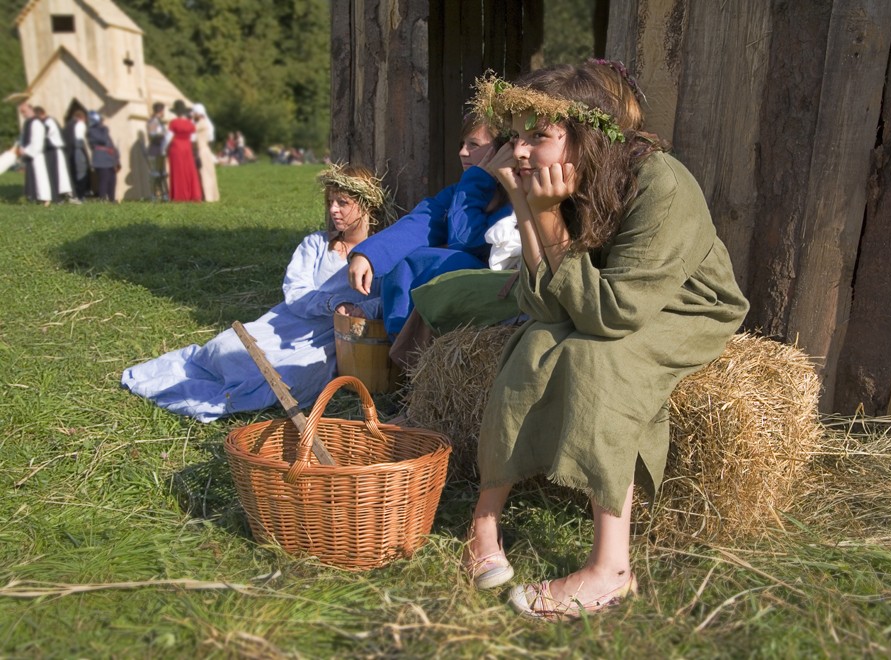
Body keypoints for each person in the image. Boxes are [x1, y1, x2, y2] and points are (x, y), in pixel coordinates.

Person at [461, 61, 750, 619]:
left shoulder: (661, 183)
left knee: (600, 359)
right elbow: (544, 304)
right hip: (605, 297)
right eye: (515, 136)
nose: (518, 151)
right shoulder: (568, 177)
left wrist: (545, 213)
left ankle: (611, 570)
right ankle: (485, 521)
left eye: (537, 136)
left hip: (684, 308)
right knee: (537, 343)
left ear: (589, 135)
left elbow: (612, 317)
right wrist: (526, 204)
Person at [120, 163, 394, 422]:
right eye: (330, 202)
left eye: (343, 203)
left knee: (291, 381)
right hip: (289, 324)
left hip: (332, 339)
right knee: (225, 349)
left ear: (366, 204)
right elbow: (295, 291)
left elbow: (388, 298)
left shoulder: (383, 254)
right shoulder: (316, 244)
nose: (334, 210)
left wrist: (362, 310)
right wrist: (334, 302)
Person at [342, 112, 513, 336]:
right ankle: (404, 350)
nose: (462, 152)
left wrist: (477, 180)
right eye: (462, 144)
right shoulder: (457, 192)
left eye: (474, 144)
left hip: (497, 295)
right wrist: (368, 255)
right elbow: (421, 222)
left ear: (500, 151)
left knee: (452, 260)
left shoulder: (514, 198)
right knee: (405, 259)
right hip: (453, 301)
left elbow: (465, 241)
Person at [35, 106, 79, 204]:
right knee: (55, 174)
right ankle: (58, 196)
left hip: (54, 151)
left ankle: (61, 197)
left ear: (41, 114)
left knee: (56, 174)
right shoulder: (46, 122)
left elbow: (44, 134)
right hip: (51, 151)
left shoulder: (49, 122)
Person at [15, 102, 51, 205]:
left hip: (37, 155)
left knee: (40, 177)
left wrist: (26, 150)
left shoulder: (36, 123)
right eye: (22, 112)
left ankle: (45, 199)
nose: (23, 114)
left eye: (24, 111)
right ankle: (36, 198)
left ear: (31, 109)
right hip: (30, 154)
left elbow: (37, 141)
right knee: (34, 177)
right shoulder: (28, 123)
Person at [166, 100, 202, 202]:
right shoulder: (190, 124)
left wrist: (164, 148)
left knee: (178, 171)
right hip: (187, 147)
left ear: (176, 112)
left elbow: (168, 138)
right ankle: (192, 194)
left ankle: (179, 195)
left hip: (176, 148)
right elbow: (193, 139)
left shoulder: (173, 123)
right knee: (188, 171)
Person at [86, 111, 119, 201]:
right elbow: (103, 140)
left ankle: (112, 200)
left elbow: (111, 146)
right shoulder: (91, 131)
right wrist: (104, 129)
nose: (102, 122)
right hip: (100, 160)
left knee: (112, 180)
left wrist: (117, 160)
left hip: (109, 159)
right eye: (100, 120)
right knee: (104, 181)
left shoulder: (103, 130)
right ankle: (103, 200)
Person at [190, 102, 219, 202]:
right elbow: (210, 139)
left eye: (194, 113)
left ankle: (207, 196)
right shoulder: (207, 124)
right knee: (208, 172)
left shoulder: (200, 124)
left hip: (201, 150)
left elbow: (193, 138)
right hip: (205, 149)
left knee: (204, 173)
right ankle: (210, 195)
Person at [65, 109, 91, 199]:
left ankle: (75, 194)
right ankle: (81, 195)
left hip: (69, 153)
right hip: (78, 150)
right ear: (82, 118)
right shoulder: (80, 124)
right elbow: (80, 141)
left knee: (73, 173)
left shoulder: (68, 125)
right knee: (81, 172)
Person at [147, 102, 170, 201]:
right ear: (160, 111)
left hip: (161, 150)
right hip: (155, 149)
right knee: (155, 174)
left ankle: (164, 195)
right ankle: (154, 195)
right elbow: (152, 135)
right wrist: (163, 134)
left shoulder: (159, 121)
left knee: (162, 174)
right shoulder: (153, 121)